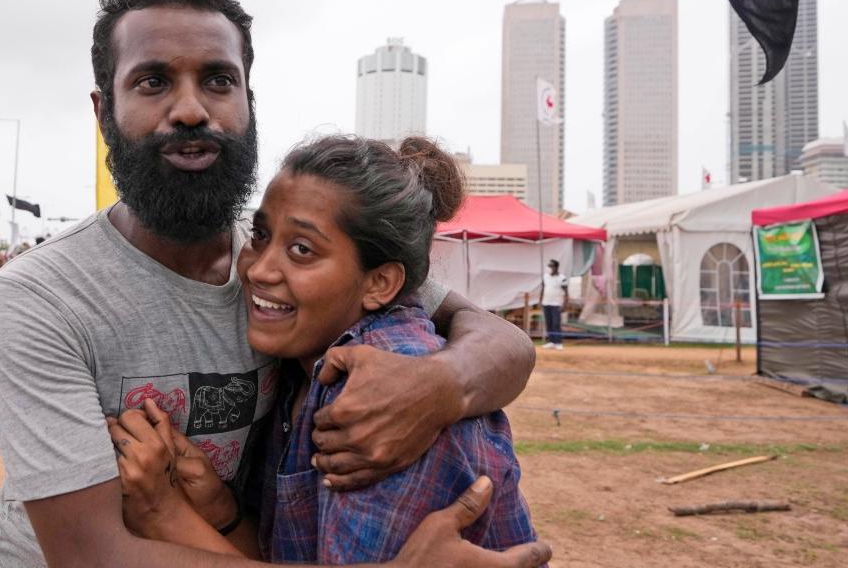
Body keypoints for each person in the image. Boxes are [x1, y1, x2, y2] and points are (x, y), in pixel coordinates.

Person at [0, 0, 545, 567]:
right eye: (153, 82)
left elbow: (500, 341)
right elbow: (93, 554)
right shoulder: (42, 297)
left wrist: (438, 386)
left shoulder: (284, 257)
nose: (191, 109)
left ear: (249, 99)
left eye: (219, 81)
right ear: (102, 110)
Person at [112, 135, 539, 562]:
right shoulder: (306, 366)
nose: (259, 268)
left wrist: (162, 515)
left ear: (380, 283)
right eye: (260, 235)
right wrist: (219, 511)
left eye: (302, 250)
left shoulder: (381, 398)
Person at [541, 259, 568, 350]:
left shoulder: (562, 278)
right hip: (546, 302)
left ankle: (558, 342)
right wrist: (540, 300)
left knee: (556, 323)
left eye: (551, 266)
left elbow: (566, 292)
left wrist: (565, 304)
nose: (549, 268)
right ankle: (551, 341)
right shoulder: (545, 276)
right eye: (549, 266)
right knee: (549, 323)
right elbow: (543, 288)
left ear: (556, 267)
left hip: (556, 304)